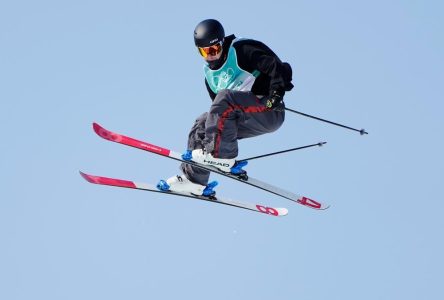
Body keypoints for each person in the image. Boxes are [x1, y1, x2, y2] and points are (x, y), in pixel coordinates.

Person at [158, 19, 294, 196]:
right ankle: (195, 180)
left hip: (268, 109)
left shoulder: (241, 50)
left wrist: (276, 93)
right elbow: (220, 116)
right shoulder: (210, 77)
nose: (210, 56)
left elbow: (278, 67)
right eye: (204, 52)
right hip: (244, 116)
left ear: (222, 43)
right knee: (202, 122)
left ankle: (221, 156)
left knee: (224, 98)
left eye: (214, 50)